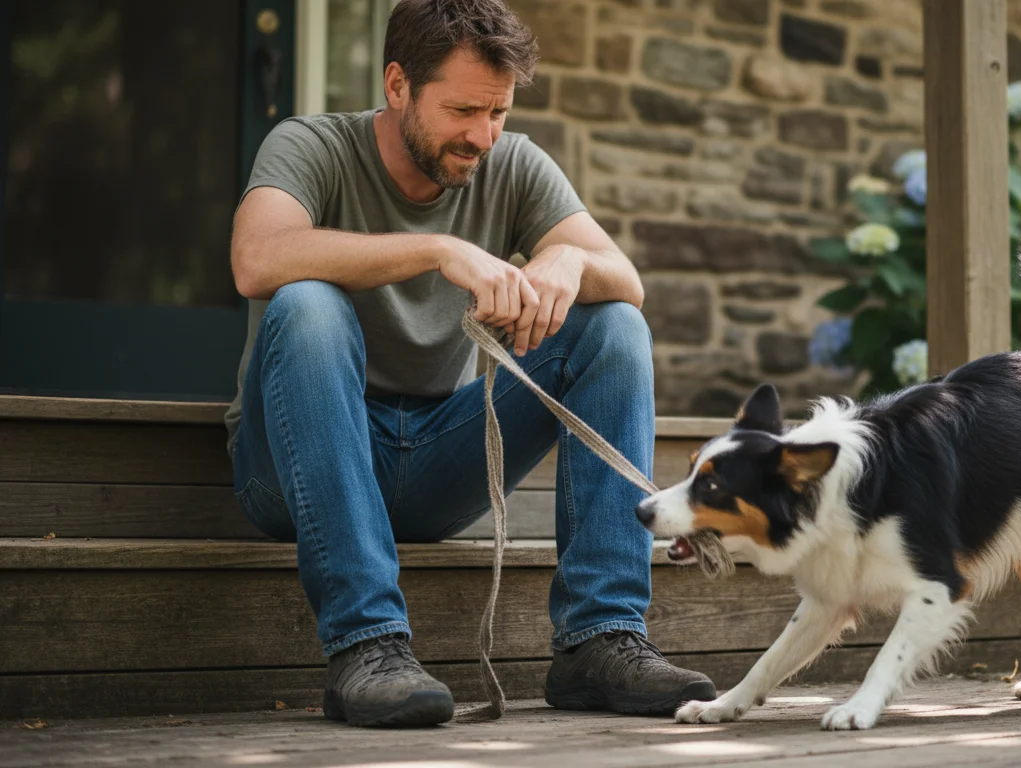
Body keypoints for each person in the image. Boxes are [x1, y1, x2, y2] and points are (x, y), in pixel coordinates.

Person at [224, 0, 715, 728]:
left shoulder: (513, 163)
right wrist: (437, 249)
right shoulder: (310, 145)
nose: (482, 136)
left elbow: (627, 280)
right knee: (307, 306)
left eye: (498, 113)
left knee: (615, 327)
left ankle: (599, 639)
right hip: (289, 467)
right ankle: (368, 645)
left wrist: (566, 260)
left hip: (433, 461)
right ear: (397, 86)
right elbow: (256, 259)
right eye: (462, 110)